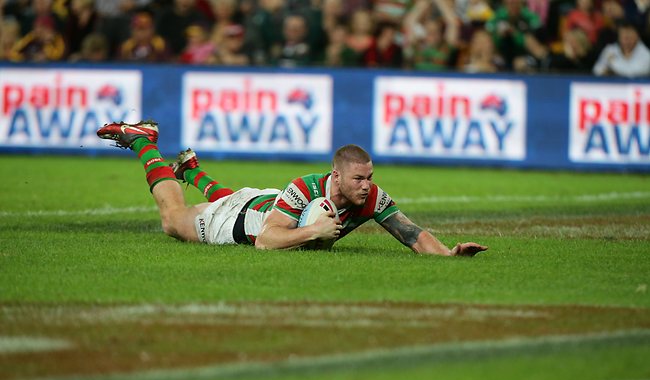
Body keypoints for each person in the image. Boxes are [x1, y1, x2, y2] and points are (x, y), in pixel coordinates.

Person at [96, 120, 488, 256]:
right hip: (242, 225)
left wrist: (448, 254)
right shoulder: (304, 187)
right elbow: (266, 241)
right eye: (358, 179)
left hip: (266, 204)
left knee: (239, 196)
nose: (367, 187)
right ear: (336, 177)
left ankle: (193, 170)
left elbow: (412, 234)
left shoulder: (370, 197)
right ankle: (143, 140)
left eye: (369, 178)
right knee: (172, 220)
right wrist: (315, 231)